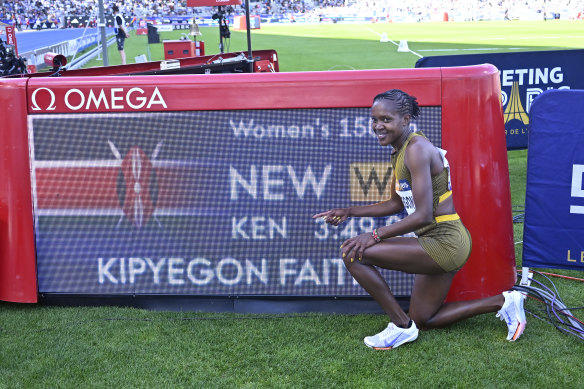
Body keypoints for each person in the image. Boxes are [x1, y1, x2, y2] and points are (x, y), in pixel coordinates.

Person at [313, 89, 526, 350]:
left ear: (405, 119)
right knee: (424, 318)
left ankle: (400, 327)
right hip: (439, 240)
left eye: (386, 120)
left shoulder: (416, 149)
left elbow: (423, 214)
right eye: (374, 119)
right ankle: (504, 302)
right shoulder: (401, 149)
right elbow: (395, 203)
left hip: (444, 242)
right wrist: (350, 211)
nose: (378, 126)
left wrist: (375, 235)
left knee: (353, 254)